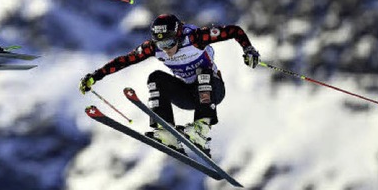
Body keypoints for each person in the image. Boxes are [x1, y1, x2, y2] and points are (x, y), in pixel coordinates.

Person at [79, 13, 260, 156]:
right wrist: (95, 76)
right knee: (156, 77)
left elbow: (234, 31)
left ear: (178, 35)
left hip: (213, 90)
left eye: (169, 42)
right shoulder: (154, 48)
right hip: (187, 96)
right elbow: (124, 60)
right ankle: (165, 132)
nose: (166, 49)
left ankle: (201, 129)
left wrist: (248, 49)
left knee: (203, 73)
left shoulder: (196, 38)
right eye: (161, 43)